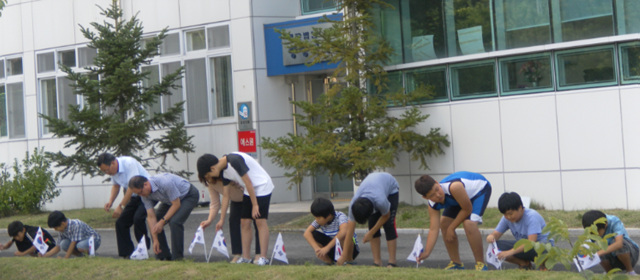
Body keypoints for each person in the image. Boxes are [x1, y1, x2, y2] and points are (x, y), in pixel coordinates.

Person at [205, 152, 274, 265]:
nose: (211, 178)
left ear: (212, 168)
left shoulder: (234, 160)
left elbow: (248, 181)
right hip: (249, 189)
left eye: (209, 175)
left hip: (262, 185)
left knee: (259, 220)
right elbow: (226, 196)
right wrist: (222, 219)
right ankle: (246, 258)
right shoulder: (223, 171)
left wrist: (255, 205)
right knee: (244, 222)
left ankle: (263, 257)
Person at [414, 171, 491, 271]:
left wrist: (452, 227)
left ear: (437, 183)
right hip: (460, 198)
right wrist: (427, 252)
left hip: (480, 190)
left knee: (469, 224)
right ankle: (456, 264)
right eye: (432, 195)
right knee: (444, 223)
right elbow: (434, 229)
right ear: (425, 197)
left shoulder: (454, 187)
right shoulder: (432, 205)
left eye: (437, 189)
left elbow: (467, 209)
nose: (438, 195)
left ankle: (480, 264)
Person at [129, 173, 199, 261]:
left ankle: (178, 258)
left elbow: (176, 204)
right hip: (170, 201)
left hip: (187, 195)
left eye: (141, 192)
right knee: (156, 222)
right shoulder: (144, 195)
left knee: (174, 222)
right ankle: (163, 255)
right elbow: (151, 216)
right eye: (138, 194)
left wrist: (162, 222)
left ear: (146, 184)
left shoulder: (164, 183)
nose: (141, 195)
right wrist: (155, 240)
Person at [336, 172, 399, 267]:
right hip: (374, 186)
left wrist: (371, 233)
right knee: (372, 225)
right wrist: (344, 256)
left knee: (389, 226)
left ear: (371, 210)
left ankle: (392, 263)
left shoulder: (380, 200)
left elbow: (386, 215)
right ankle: (377, 262)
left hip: (390, 189)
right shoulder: (354, 205)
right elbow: (350, 231)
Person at [97, 152, 150, 258]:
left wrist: (121, 206)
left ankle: (143, 250)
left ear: (113, 163)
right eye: (104, 171)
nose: (107, 173)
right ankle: (127, 253)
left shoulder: (129, 163)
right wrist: (110, 201)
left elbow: (131, 187)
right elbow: (116, 186)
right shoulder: (113, 172)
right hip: (135, 197)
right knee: (121, 223)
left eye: (107, 170)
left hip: (146, 194)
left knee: (138, 218)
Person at [486, 192, 551, 270]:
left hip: (541, 248)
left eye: (510, 214)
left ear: (520, 208)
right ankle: (524, 264)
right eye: (505, 214)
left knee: (542, 247)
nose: (508, 217)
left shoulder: (532, 217)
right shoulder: (506, 218)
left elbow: (531, 243)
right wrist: (491, 237)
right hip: (524, 248)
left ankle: (543, 265)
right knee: (496, 246)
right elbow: (496, 234)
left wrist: (509, 252)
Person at [303, 197, 359, 265]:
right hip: (333, 249)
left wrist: (327, 248)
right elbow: (306, 233)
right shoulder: (319, 221)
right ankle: (329, 262)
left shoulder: (340, 216)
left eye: (319, 218)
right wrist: (317, 248)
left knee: (344, 236)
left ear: (329, 216)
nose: (316, 220)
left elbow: (343, 232)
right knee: (313, 234)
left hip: (349, 249)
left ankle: (349, 261)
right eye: (315, 217)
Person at [582, 210, 639, 275]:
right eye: (591, 233)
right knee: (597, 248)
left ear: (606, 225)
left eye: (597, 232)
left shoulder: (614, 221)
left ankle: (630, 271)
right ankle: (610, 273)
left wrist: (597, 254)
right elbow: (586, 245)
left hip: (630, 254)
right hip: (612, 258)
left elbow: (619, 244)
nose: (594, 235)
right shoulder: (592, 226)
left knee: (615, 243)